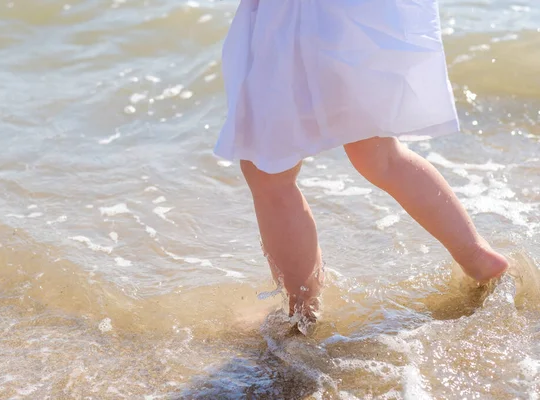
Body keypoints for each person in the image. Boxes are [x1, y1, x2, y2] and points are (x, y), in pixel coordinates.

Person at [214, 0, 509, 324]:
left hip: (298, 16)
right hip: (354, 15)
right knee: (379, 156)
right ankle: (477, 257)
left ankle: (302, 313)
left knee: (269, 173)